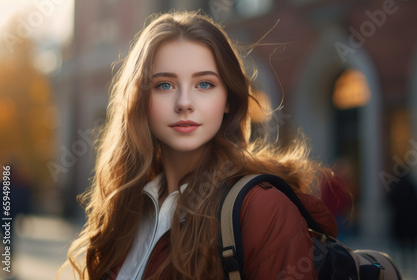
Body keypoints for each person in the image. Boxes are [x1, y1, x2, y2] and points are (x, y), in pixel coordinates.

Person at [61, 11, 339, 280]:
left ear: (228, 99)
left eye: (204, 84)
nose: (184, 103)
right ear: (141, 99)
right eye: (165, 85)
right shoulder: (126, 206)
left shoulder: (263, 209)